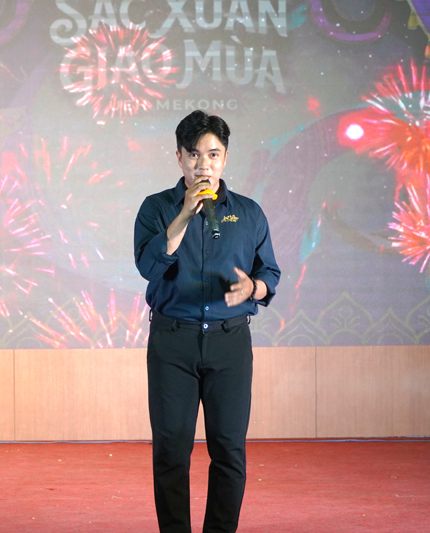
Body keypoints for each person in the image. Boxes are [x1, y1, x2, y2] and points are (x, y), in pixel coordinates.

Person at [134, 110, 280, 533]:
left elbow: (269, 274)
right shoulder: (156, 208)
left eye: (213, 155)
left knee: (229, 451)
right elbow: (148, 266)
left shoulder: (249, 213)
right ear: (179, 157)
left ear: (226, 158)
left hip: (229, 343)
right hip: (172, 342)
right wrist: (184, 214)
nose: (204, 164)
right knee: (171, 452)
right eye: (194, 154)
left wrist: (253, 288)